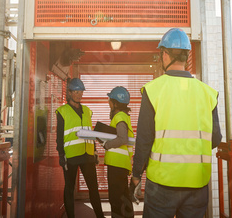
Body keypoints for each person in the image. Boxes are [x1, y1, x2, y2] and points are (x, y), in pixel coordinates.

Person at [130, 28, 223, 218]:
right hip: (197, 183)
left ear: (165, 54)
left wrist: (136, 174)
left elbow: (144, 140)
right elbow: (215, 138)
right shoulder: (207, 93)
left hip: (161, 184)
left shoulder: (153, 90)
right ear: (186, 56)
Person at [56, 78, 105, 218]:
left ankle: (100, 216)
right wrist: (61, 155)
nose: (79, 94)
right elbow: (60, 137)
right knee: (69, 189)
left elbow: (90, 132)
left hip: (87, 156)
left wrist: (95, 151)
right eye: (76, 91)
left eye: (81, 91)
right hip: (70, 157)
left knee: (93, 189)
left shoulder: (87, 111)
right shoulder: (62, 111)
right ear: (70, 93)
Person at [102, 86, 135, 218]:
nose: (108, 103)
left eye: (110, 100)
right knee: (123, 196)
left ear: (115, 103)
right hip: (121, 164)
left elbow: (122, 138)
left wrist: (107, 144)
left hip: (117, 164)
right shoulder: (123, 116)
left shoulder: (119, 117)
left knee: (116, 199)